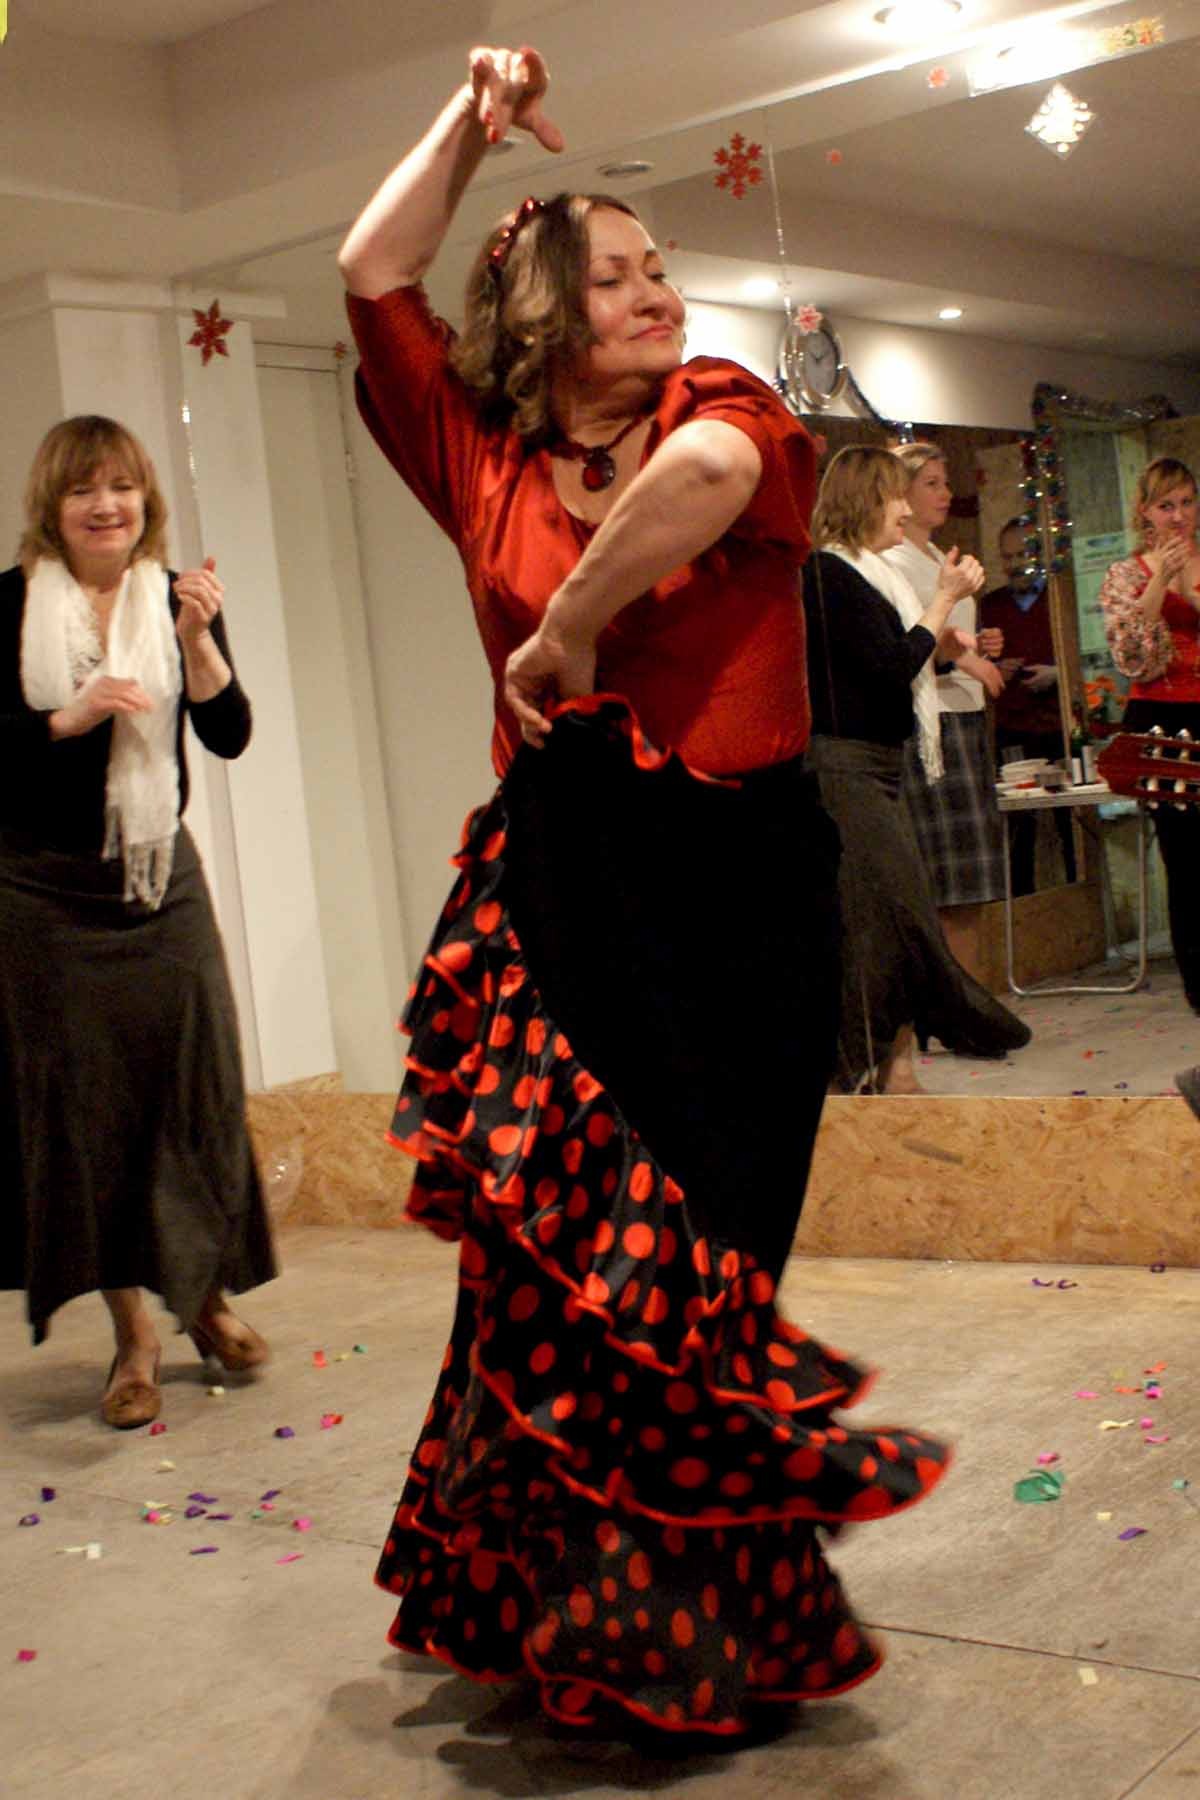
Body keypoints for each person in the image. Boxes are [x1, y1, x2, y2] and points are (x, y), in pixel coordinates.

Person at [339, 44, 949, 1743]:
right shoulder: (480, 451)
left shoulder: (721, 405)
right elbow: (370, 270)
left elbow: (710, 491)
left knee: (710, 1264)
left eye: (661, 268)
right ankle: (580, 1623)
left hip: (744, 888)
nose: (656, 294)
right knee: (568, 1276)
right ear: (543, 310)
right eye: (615, 275)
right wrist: (468, 124)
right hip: (567, 891)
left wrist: (563, 629)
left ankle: (682, 1618)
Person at [0, 416, 274, 1429]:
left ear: (144, 499)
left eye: (120, 486)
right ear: (53, 505)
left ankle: (202, 1297)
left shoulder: (173, 598)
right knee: (89, 1115)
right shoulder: (8, 605)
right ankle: (135, 1339)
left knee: (190, 1092)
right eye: (83, 490)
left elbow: (229, 734)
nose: (104, 505)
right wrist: (64, 720)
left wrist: (198, 640)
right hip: (44, 894)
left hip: (160, 883)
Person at [802, 447, 1031, 1093]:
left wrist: (947, 639)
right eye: (895, 495)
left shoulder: (870, 575)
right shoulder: (827, 574)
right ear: (863, 500)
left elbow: (900, 657)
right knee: (892, 918)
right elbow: (890, 664)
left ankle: (897, 1061)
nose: (904, 508)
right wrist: (945, 601)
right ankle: (889, 1054)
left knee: (895, 919)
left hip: (880, 765)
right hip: (844, 768)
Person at [884, 443, 1007, 983]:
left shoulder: (939, 557)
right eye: (931, 483)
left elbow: (952, 632)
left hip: (965, 713)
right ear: (902, 492)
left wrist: (980, 644)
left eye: (946, 482)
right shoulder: (894, 561)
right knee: (949, 881)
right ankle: (956, 1001)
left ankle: (969, 998)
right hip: (932, 721)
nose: (944, 493)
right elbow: (908, 642)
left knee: (970, 880)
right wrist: (960, 657)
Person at [1100, 455, 1200, 1010]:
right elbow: (1133, 657)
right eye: (1166, 506)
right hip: (1163, 718)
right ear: (1145, 511)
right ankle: (1199, 982)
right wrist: (1162, 579)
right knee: (1184, 855)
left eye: (1186, 503)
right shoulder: (1125, 574)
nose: (1178, 516)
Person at [979, 518, 1075, 894]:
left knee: (1071, 825)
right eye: (1007, 557)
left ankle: (1077, 893)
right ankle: (1022, 905)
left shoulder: (1059, 599)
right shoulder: (990, 607)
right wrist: (995, 669)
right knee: (1019, 831)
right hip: (1013, 733)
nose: (1015, 564)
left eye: (1022, 555)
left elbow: (1080, 657)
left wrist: (1057, 674)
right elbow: (976, 664)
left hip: (1059, 729)